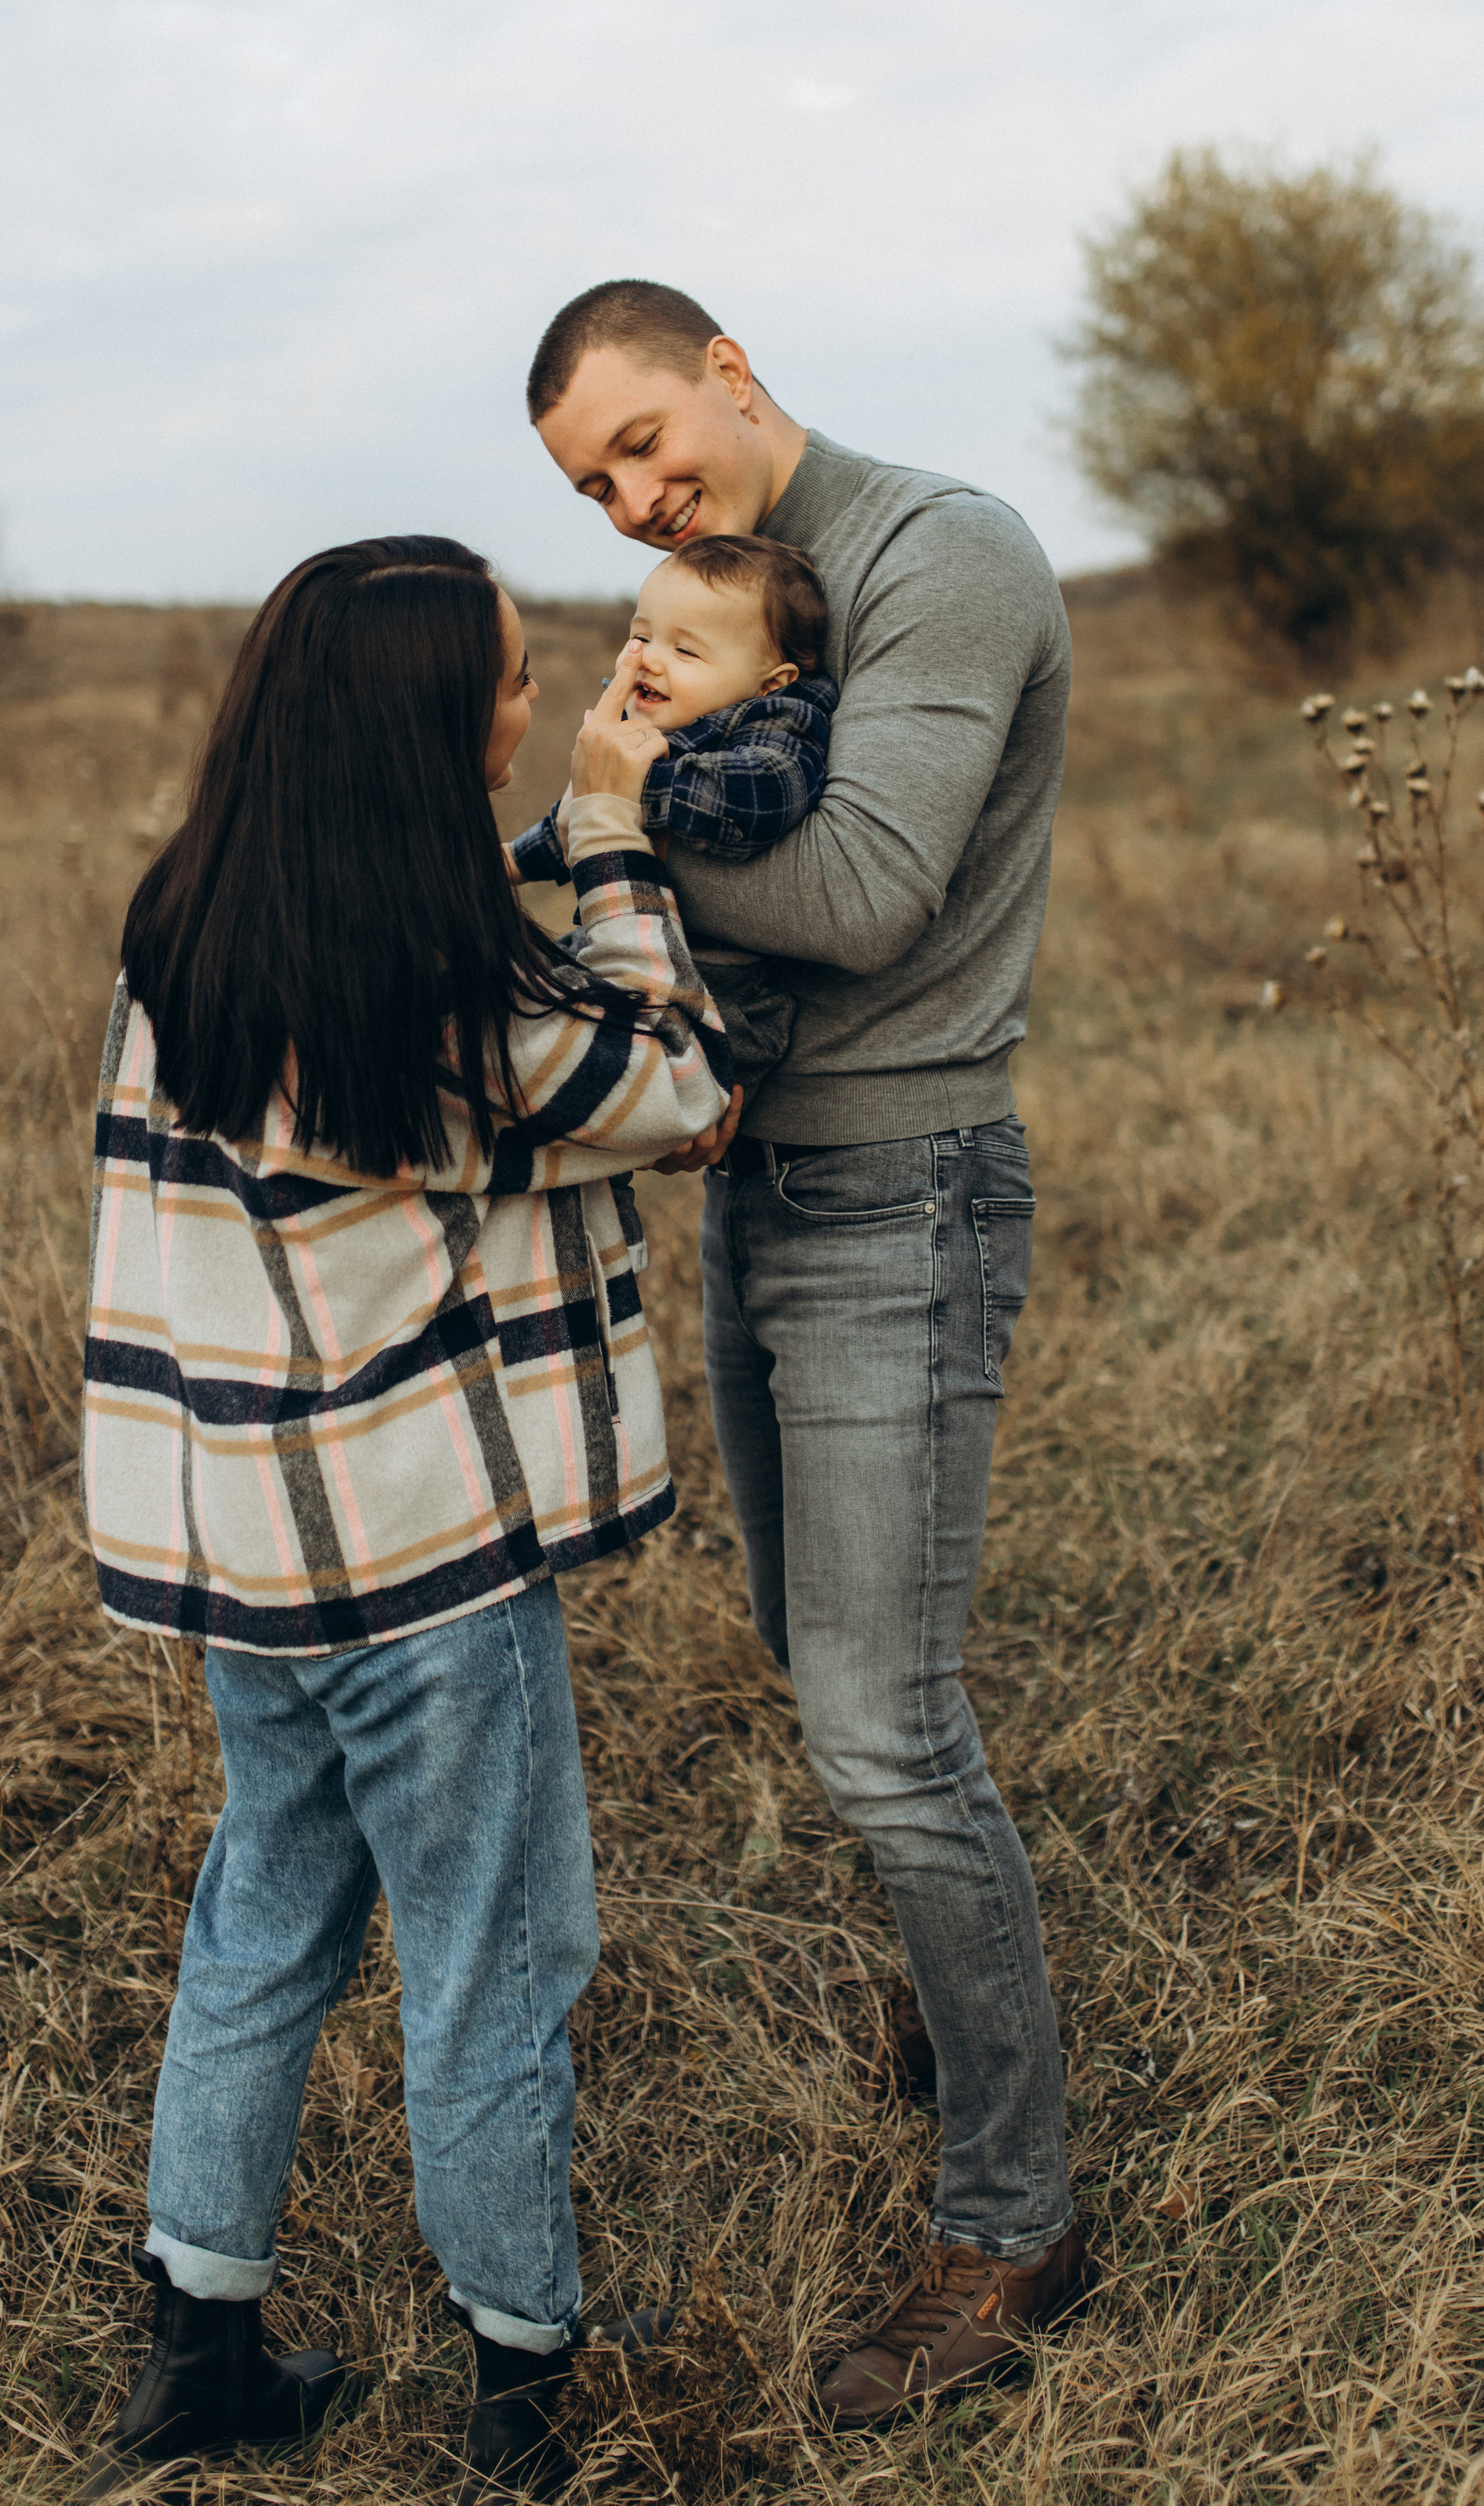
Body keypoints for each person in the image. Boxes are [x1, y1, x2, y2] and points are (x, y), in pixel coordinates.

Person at [79, 536, 727, 2501]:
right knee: (494, 1947)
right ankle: (523, 2376)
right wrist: (607, 834)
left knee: (264, 1908)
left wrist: (544, 829)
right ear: (426, 727)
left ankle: (199, 2339)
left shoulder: (192, 920)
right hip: (421, 1562)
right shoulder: (424, 991)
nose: (533, 708)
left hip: (249, 1550)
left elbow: (468, 955)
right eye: (509, 686)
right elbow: (671, 1083)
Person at [525, 281, 1088, 2428]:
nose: (638, 496)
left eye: (653, 440)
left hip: (903, 1185)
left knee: (881, 1726)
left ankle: (1013, 2211)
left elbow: (855, 894)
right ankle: (970, 2001)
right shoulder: (714, 610)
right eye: (597, 489)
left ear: (734, 367)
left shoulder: (944, 554)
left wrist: (605, 827)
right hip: (761, 1184)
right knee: (815, 1654)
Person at [513, 532, 835, 1103]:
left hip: (723, 995)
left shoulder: (777, 719)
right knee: (521, 993)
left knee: (619, 1079)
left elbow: (763, 797)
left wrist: (619, 790)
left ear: (772, 679)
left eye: (686, 651)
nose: (650, 659)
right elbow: (576, 820)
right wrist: (511, 863)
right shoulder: (644, 722)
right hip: (621, 948)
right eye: (640, 636)